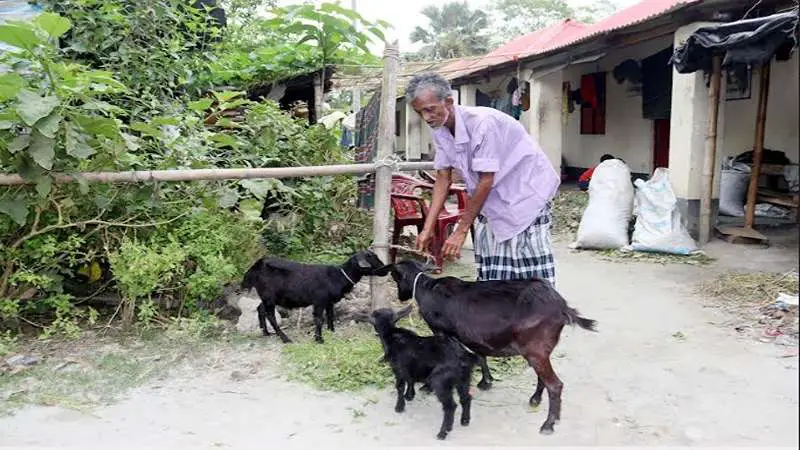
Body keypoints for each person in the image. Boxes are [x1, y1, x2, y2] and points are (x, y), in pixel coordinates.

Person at [407, 72, 560, 285]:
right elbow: (443, 177)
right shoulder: (440, 129)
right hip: (494, 196)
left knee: (531, 273)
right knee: (494, 272)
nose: (426, 118)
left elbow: (486, 180)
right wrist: (427, 228)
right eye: (419, 112)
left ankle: (543, 315)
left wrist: (461, 231)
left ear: (449, 102)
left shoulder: (482, 123)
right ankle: (502, 314)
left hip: (526, 192)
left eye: (430, 109)